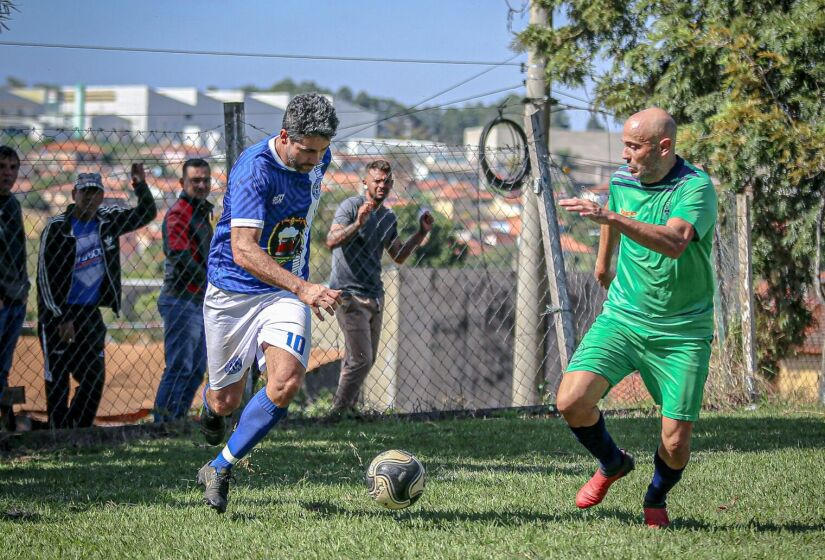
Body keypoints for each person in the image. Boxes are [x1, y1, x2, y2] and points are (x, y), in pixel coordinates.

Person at [557, 107, 717, 529]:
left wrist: (610, 218)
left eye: (634, 146)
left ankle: (656, 496)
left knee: (676, 442)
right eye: (624, 145)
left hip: (682, 331)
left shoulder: (695, 187)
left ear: (663, 147)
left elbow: (676, 241)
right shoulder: (623, 182)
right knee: (571, 401)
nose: (625, 155)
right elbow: (615, 209)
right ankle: (613, 463)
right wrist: (603, 264)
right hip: (624, 317)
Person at [196, 92, 340, 514]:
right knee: (226, 401)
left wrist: (298, 289)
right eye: (307, 150)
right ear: (284, 137)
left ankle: (219, 466)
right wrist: (304, 288)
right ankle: (210, 408)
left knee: (286, 382)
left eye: (322, 150)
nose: (315, 159)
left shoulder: (319, 158)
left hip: (283, 293)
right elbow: (243, 249)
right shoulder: (254, 172)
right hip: (232, 293)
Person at [37, 165, 157, 429]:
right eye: (85, 193)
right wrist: (61, 318)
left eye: (95, 193)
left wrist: (140, 185)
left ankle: (78, 430)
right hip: (58, 313)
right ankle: (57, 433)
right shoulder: (57, 228)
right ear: (73, 194)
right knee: (57, 378)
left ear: (102, 196)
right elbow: (45, 278)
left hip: (90, 313)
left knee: (94, 376)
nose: (90, 199)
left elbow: (147, 213)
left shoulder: (107, 221)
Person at [325, 160, 433, 416]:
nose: (382, 185)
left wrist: (420, 233)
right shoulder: (350, 207)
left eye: (386, 182)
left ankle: (348, 411)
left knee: (360, 359)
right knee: (361, 360)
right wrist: (357, 224)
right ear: (365, 182)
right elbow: (331, 240)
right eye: (377, 181)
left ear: (392, 184)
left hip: (374, 295)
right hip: (349, 295)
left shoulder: (387, 217)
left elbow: (397, 255)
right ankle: (336, 415)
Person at [153, 158, 213, 422]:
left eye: (205, 180)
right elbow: (180, 256)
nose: (201, 185)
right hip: (181, 298)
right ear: (182, 183)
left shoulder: (201, 212)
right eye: (195, 180)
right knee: (180, 366)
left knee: (197, 367)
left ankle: (175, 421)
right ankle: (162, 423)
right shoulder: (179, 213)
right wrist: (211, 281)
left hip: (198, 298)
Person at [0, 146, 29, 431]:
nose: (7, 173)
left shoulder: (12, 205)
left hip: (15, 298)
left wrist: (23, 288)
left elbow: (18, 250)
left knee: (3, 367)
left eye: (12, 168)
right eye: (2, 167)